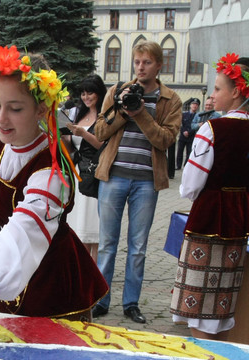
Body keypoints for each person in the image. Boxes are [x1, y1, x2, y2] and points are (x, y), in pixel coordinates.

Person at [0, 46, 108, 343]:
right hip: (13, 271)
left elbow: (23, 229)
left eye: (15, 109)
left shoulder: (52, 170)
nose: (1, 118)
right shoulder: (3, 146)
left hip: (54, 283)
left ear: (41, 109)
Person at [171, 53, 249, 340]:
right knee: (221, 305)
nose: (213, 95)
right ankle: (219, 355)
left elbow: (190, 186)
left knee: (197, 307)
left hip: (208, 219)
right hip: (238, 222)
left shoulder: (211, 129)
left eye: (217, 89)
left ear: (236, 91)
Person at [92, 40, 182, 323]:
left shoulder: (170, 100)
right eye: (137, 62)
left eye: (147, 62)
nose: (141, 67)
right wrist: (122, 109)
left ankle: (131, 303)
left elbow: (166, 140)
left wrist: (140, 113)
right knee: (107, 244)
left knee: (138, 247)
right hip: (113, 176)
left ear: (159, 65)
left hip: (146, 182)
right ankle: (101, 300)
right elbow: (100, 131)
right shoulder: (117, 91)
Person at [61, 74, 106, 263]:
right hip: (78, 173)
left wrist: (83, 134)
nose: (86, 97)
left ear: (99, 93)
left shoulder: (105, 115)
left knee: (94, 227)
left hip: (96, 174)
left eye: (90, 93)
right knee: (78, 225)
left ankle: (95, 268)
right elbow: (72, 149)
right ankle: (82, 267)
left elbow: (104, 145)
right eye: (83, 94)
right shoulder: (78, 115)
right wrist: (64, 137)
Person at [176, 99, 199, 170]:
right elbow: (180, 124)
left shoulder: (197, 116)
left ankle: (186, 166)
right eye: (193, 104)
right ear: (190, 105)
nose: (194, 106)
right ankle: (178, 165)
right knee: (180, 151)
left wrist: (189, 132)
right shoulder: (184, 114)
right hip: (182, 136)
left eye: (196, 105)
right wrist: (183, 131)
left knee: (189, 152)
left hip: (191, 137)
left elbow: (195, 126)